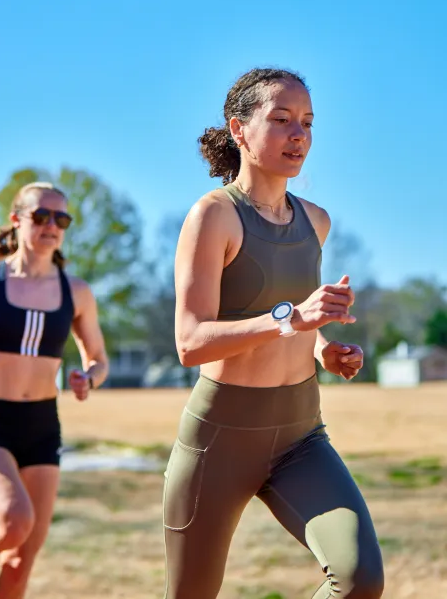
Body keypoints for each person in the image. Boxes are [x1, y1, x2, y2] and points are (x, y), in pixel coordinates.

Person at [164, 69, 384, 598]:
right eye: (282, 120)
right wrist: (292, 318)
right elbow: (190, 342)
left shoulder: (317, 222)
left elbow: (298, 326)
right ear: (239, 130)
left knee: (359, 580)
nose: (299, 135)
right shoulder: (213, 216)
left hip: (300, 436)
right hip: (219, 440)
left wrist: (325, 349)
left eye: (307, 122)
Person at [0, 182, 109, 599]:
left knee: (22, 562)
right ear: (17, 220)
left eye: (61, 218)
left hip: (41, 427)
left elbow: (99, 359)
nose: (51, 225)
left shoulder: (76, 293)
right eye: (40, 216)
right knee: (14, 521)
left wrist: (87, 378)